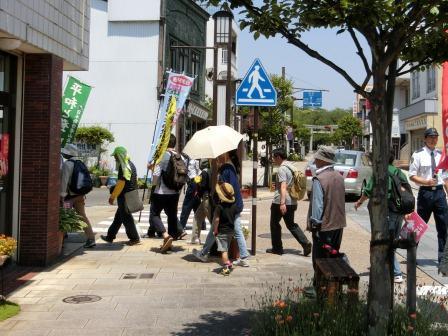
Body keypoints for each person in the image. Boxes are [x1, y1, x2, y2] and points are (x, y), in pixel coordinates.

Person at [355, 150, 408, 283]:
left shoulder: (379, 172)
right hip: (399, 211)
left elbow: (368, 190)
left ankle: (396, 273)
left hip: (387, 211)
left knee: (386, 242)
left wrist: (359, 202)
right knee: (394, 241)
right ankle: (390, 269)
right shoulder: (398, 172)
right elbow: (406, 190)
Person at [193, 150, 250, 267]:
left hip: (228, 205)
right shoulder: (229, 167)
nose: (217, 156)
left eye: (220, 154)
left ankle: (204, 253)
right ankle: (243, 256)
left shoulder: (226, 168)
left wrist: (222, 203)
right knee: (231, 229)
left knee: (221, 228)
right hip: (233, 204)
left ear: (226, 154)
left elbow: (227, 188)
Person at [408, 127, 448, 263]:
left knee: (443, 226)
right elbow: (412, 176)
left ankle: (442, 258)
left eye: (435, 137)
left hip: (439, 193)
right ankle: (412, 255)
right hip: (425, 193)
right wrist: (426, 181)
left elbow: (445, 177)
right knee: (419, 226)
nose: (433, 139)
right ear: (425, 139)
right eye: (430, 137)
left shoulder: (441, 155)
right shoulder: (418, 154)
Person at [266, 148, 312, 256]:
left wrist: (282, 203)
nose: (273, 160)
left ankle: (277, 248)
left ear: (278, 157)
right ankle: (305, 243)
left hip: (281, 201)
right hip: (292, 200)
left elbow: (283, 186)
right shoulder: (292, 166)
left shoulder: (282, 169)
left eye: (274, 157)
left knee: (274, 224)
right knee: (291, 224)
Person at [307, 146, 346, 271]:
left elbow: (318, 205)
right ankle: (332, 288)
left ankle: (319, 288)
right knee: (332, 258)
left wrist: (314, 225)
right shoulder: (339, 177)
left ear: (324, 160)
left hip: (324, 227)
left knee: (319, 261)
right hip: (338, 224)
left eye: (317, 158)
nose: (315, 161)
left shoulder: (319, 179)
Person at [146, 134, 186, 252]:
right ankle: (170, 242)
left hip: (161, 191)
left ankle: (165, 235)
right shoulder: (180, 157)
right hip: (175, 192)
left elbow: (156, 175)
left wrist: (151, 171)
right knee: (172, 217)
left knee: (154, 214)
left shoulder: (163, 156)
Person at [100, 146, 141, 246]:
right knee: (119, 217)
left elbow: (121, 184)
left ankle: (134, 238)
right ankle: (110, 236)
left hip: (125, 196)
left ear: (120, 156)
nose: (115, 158)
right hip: (130, 195)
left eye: (116, 156)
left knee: (126, 218)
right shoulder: (131, 165)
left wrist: (112, 197)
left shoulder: (124, 167)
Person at [60, 143, 95, 248]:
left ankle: (62, 238)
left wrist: (62, 195)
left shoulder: (67, 164)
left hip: (69, 198)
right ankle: (91, 238)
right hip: (80, 195)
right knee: (82, 216)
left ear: (68, 154)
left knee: (64, 216)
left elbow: (64, 181)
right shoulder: (81, 163)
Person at [213, 182, 238, 276]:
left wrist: (215, 230)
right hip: (231, 231)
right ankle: (229, 262)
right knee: (226, 248)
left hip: (222, 231)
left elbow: (216, 220)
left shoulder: (219, 207)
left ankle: (226, 267)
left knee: (223, 251)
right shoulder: (234, 207)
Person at [190, 160, 212, 244]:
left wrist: (198, 182)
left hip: (206, 197)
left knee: (211, 219)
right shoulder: (210, 171)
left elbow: (203, 186)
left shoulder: (204, 172)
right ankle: (195, 238)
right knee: (197, 217)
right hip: (207, 198)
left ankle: (217, 240)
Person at [179, 155, 201, 233]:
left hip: (193, 182)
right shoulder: (185, 160)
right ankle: (202, 224)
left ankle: (181, 225)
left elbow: (198, 172)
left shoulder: (195, 160)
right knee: (196, 205)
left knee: (186, 205)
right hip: (189, 183)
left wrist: (197, 186)